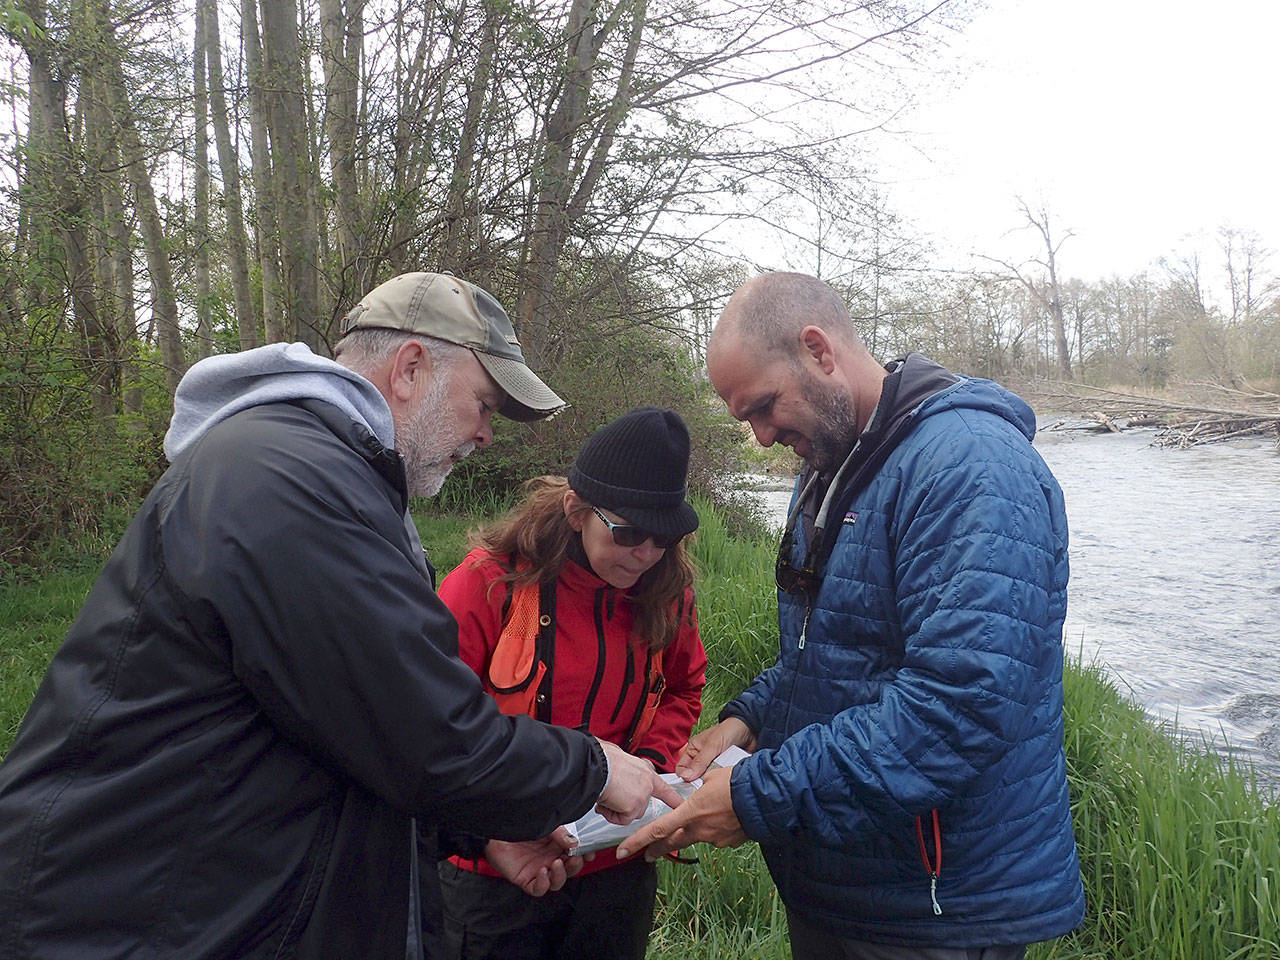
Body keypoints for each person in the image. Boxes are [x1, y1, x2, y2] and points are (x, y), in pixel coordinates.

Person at [0, 272, 680, 960]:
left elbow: (345, 734)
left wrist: (477, 832)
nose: (485, 436)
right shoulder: (289, 483)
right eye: (484, 405)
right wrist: (592, 768)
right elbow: (426, 736)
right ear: (411, 367)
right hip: (136, 922)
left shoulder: (318, 475)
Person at [618, 272, 1086, 959]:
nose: (761, 436)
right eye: (746, 418)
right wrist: (747, 717)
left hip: (932, 909)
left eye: (765, 407)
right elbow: (828, 650)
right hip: (847, 884)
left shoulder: (969, 467)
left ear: (818, 350)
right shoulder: (831, 467)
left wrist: (755, 795)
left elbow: (957, 705)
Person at [435, 407, 707, 960]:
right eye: (630, 533)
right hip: (495, 869)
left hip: (617, 864)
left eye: (664, 537)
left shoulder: (667, 590)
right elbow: (432, 729)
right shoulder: (488, 584)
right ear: (576, 509)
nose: (647, 554)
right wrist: (488, 835)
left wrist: (649, 767)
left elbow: (684, 687)